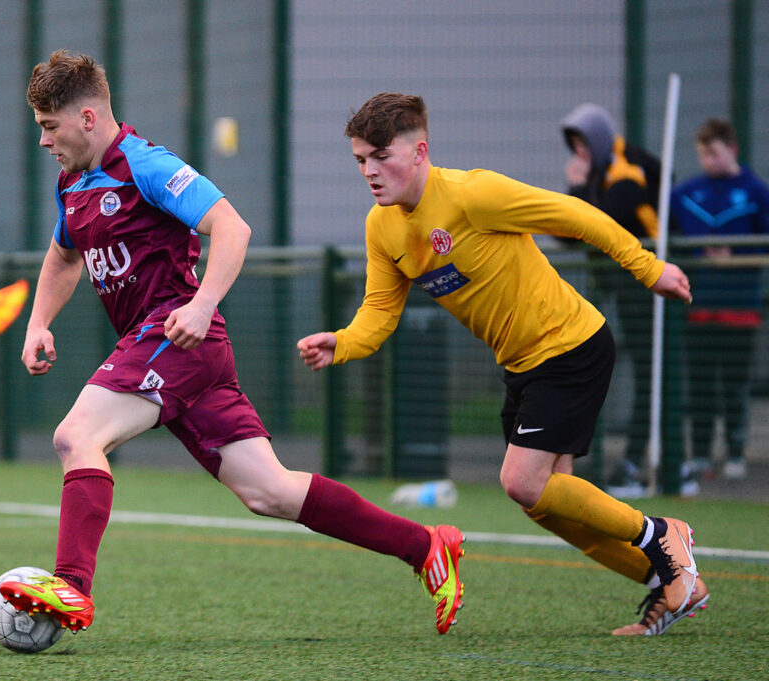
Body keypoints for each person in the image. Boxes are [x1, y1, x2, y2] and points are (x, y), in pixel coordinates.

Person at [0, 51, 466, 637]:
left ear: (88, 118)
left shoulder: (146, 165)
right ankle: (424, 545)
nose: (44, 140)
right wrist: (39, 320)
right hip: (177, 352)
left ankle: (71, 586)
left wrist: (201, 305)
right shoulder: (73, 182)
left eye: (49, 126)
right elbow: (64, 255)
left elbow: (232, 227)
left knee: (76, 436)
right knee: (269, 492)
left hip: (175, 334)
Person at [297, 92, 705, 636]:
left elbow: (578, 214)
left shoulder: (472, 194)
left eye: (380, 156)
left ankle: (662, 534)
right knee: (547, 504)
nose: (370, 172)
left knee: (520, 482)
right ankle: (673, 580)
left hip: (570, 345)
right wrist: (342, 342)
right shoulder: (382, 227)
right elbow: (378, 313)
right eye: (359, 161)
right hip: (522, 365)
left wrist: (647, 267)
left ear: (420, 152)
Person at [560, 103, 662, 498]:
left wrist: (578, 188)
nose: (578, 154)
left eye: (583, 144)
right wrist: (578, 187)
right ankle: (634, 459)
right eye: (574, 146)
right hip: (623, 289)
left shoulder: (626, 172)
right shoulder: (600, 174)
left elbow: (596, 225)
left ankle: (641, 460)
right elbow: (568, 231)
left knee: (654, 373)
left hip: (650, 287)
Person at [671, 118, 769, 480]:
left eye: (713, 152)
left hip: (740, 308)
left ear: (732, 149)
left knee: (734, 383)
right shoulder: (687, 194)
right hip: (699, 306)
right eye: (702, 154)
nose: (708, 160)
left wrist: (739, 254)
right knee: (699, 384)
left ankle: (736, 452)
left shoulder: (755, 192)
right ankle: (699, 454)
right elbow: (661, 222)